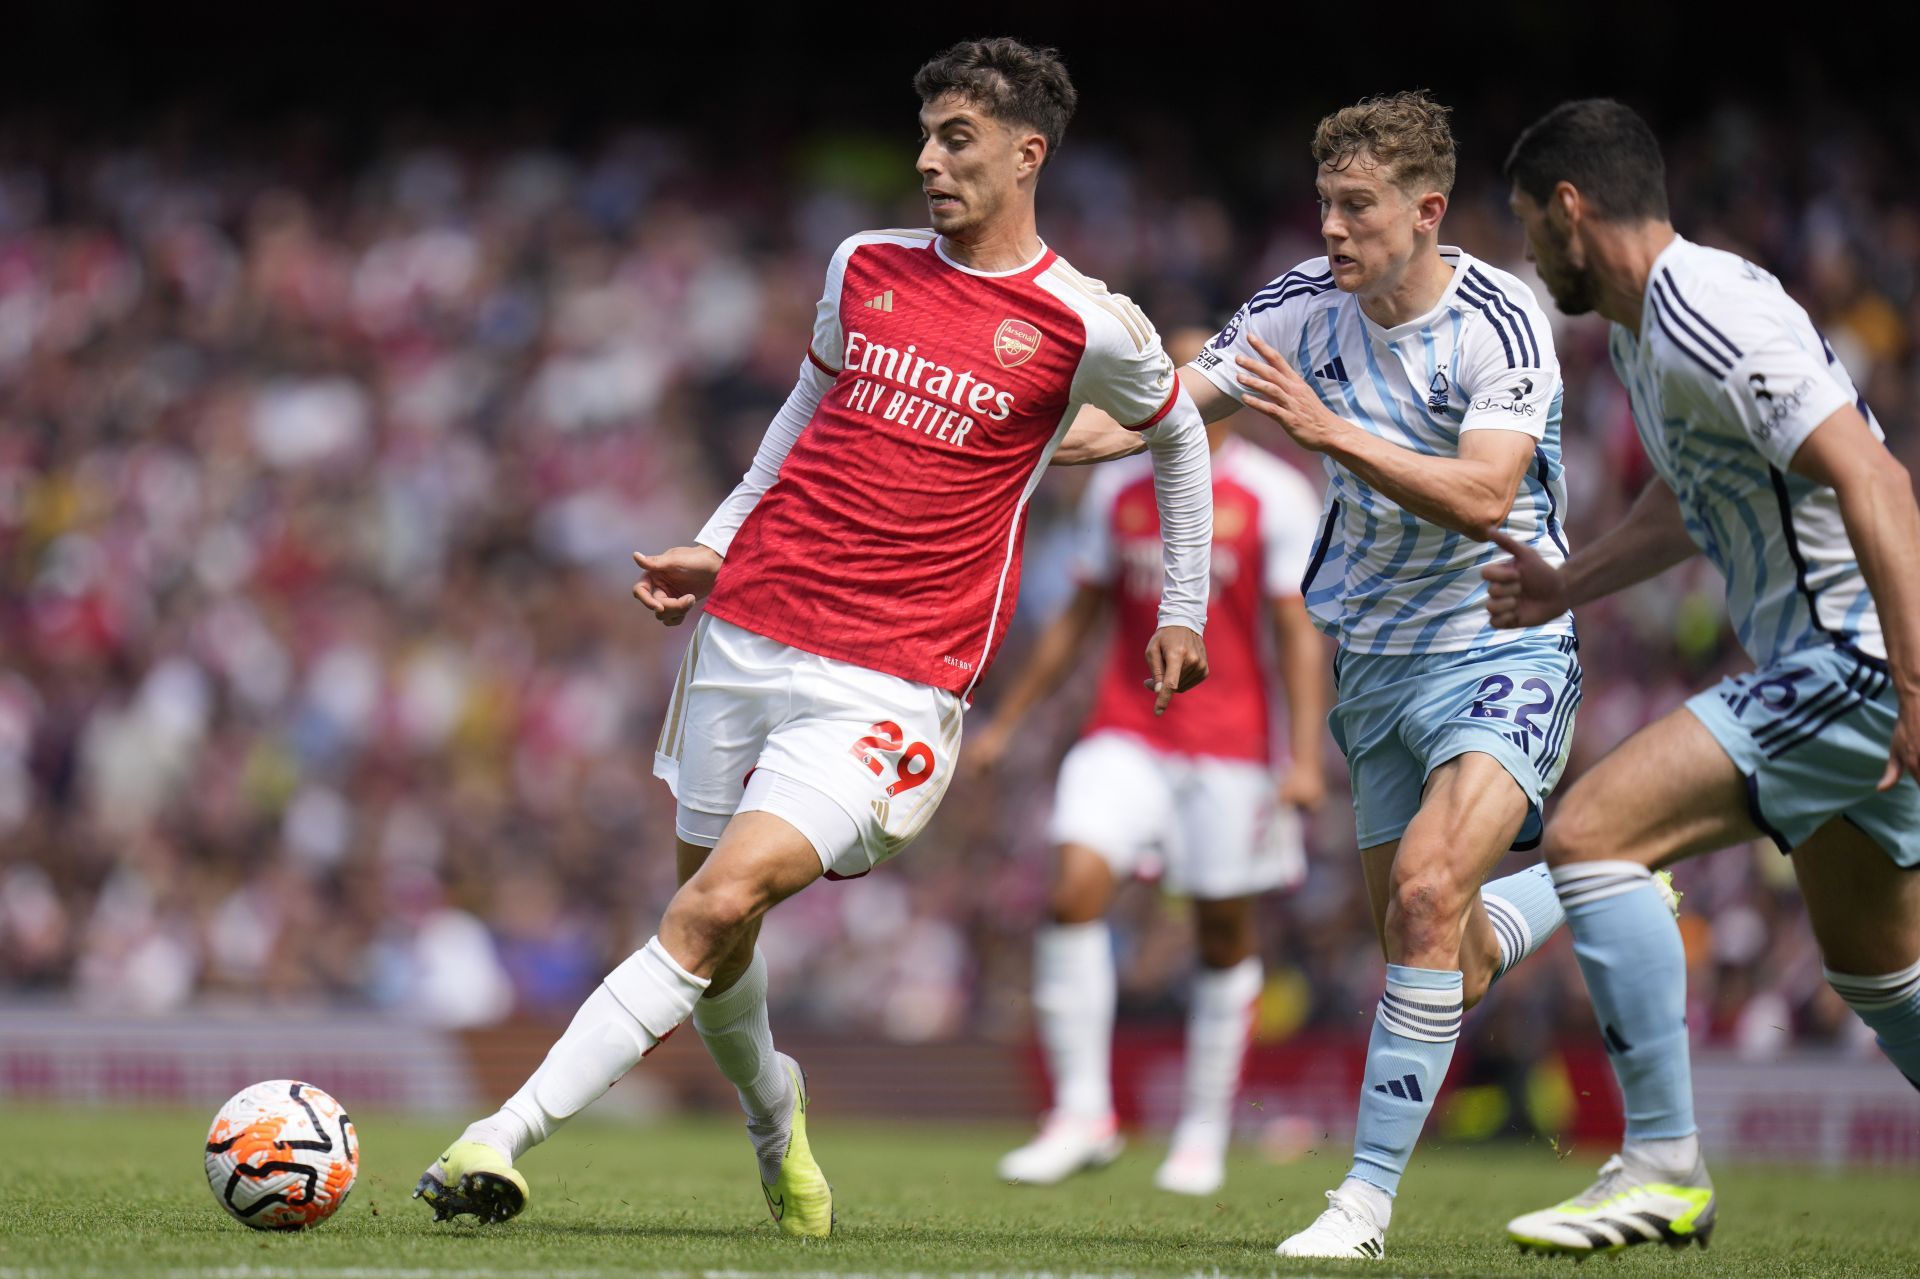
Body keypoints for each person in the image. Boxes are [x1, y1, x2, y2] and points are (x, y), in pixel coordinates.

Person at [412, 38, 1216, 1236]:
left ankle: (500, 1137)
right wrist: (717, 539)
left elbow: (1180, 439)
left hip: (888, 683)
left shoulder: (1082, 322)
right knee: (715, 931)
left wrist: (1184, 603)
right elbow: (805, 411)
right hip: (747, 629)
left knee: (712, 905)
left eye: (958, 139)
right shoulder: (863, 265)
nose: (927, 159)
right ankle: (775, 1116)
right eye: (928, 134)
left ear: (1027, 153)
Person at [1061, 91, 1588, 1262]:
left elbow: (1487, 496)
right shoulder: (1301, 309)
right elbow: (1165, 417)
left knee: (1423, 896)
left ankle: (1361, 1203)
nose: (1332, 229)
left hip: (1499, 639)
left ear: (1426, 211)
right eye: (1325, 205)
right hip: (1375, 668)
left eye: (1356, 208)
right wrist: (1034, 424)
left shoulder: (1502, 322)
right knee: (1438, 947)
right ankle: (1604, 874)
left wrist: (1329, 433)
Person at [1491, 98, 1920, 1257]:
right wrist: (1566, 584)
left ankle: (1664, 1164)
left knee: (1593, 834)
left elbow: (1876, 480)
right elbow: (1691, 500)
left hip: (1859, 658)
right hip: (1833, 663)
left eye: (1532, 229)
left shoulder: (1710, 312)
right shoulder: (1643, 335)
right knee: (1880, 974)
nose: (1531, 254)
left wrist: (1918, 685)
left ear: (1573, 210)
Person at [973, 327, 1330, 1198]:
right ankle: (1083, 1114)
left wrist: (1306, 756)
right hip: (1125, 727)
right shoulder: (1119, 488)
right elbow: (1079, 616)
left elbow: (1295, 633)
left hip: (1233, 749)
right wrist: (1007, 721)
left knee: (1221, 935)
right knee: (1072, 890)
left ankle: (1203, 1130)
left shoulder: (1277, 496)